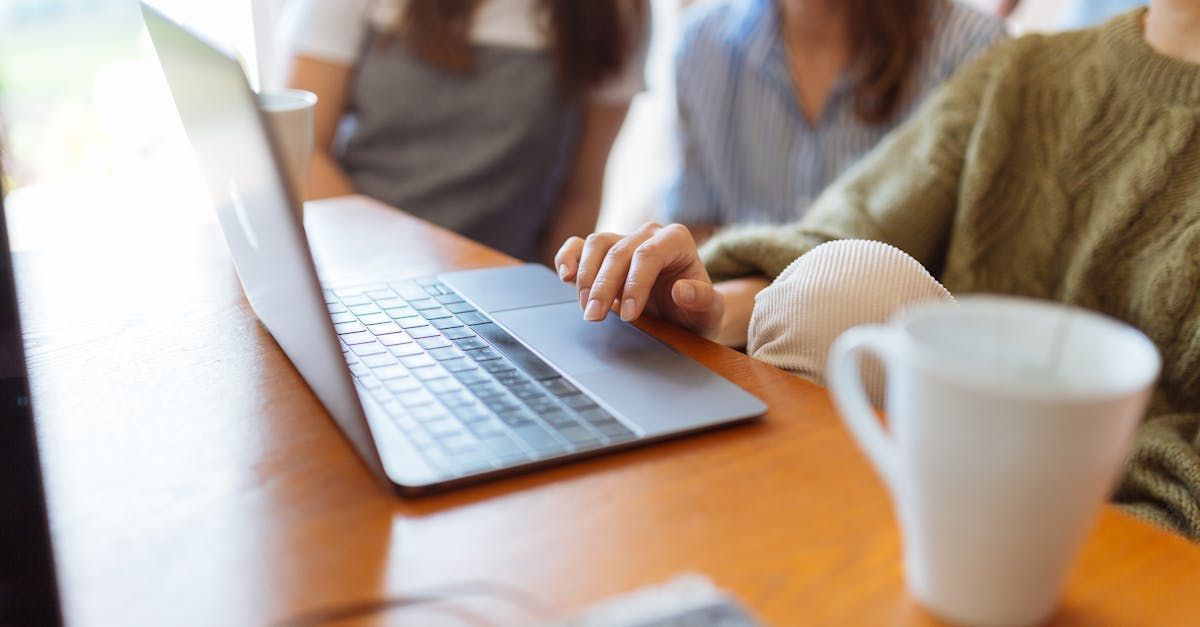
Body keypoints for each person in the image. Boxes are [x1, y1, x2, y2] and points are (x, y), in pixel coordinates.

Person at [556, 2, 1200, 539]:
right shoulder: (1023, 74)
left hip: (1132, 532)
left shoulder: (972, 44)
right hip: (935, 490)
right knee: (839, 285)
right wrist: (712, 305)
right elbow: (842, 235)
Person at [278, 0, 649, 263]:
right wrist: (381, 268)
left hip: (501, 291)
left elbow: (580, 195)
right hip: (358, 261)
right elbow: (302, 153)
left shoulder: (614, 11)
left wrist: (556, 306)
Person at [663, 0, 1007, 241]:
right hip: (729, 337)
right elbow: (695, 230)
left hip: (892, 339)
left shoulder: (971, 51)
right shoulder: (700, 47)